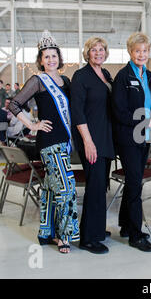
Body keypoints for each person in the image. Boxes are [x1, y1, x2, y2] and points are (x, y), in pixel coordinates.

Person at [9, 30, 80, 253]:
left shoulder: (65, 80)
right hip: (49, 142)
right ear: (40, 60)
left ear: (59, 57)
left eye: (54, 55)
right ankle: (64, 235)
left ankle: (45, 232)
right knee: (67, 189)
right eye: (46, 56)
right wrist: (32, 125)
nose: (51, 59)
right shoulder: (37, 81)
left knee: (51, 188)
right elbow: (14, 105)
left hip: (64, 140)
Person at [112, 32, 151, 252]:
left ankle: (126, 225)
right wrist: (147, 121)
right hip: (128, 138)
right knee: (135, 184)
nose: (141, 54)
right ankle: (135, 234)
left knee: (134, 182)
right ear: (130, 52)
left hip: (145, 138)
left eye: (145, 51)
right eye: (137, 50)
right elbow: (119, 112)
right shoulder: (122, 77)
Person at [70, 37, 115, 254]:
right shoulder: (81, 76)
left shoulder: (105, 75)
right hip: (91, 139)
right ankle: (88, 238)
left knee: (101, 186)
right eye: (93, 50)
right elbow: (77, 111)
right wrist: (87, 141)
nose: (98, 53)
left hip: (105, 138)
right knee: (95, 187)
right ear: (87, 53)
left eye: (101, 49)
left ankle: (96, 228)